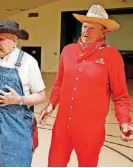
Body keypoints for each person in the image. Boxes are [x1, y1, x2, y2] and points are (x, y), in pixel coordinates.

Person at [39, 5, 133, 167]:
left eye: (92, 28)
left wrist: (124, 121)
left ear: (104, 32)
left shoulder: (112, 56)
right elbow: (58, 84)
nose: (86, 31)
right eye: (84, 26)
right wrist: (51, 105)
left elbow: (120, 96)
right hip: (62, 127)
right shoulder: (68, 51)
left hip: (90, 131)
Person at [0, 20, 46, 167]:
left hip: (16, 124)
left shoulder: (28, 62)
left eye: (1, 39)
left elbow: (41, 96)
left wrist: (19, 99)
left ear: (15, 41)